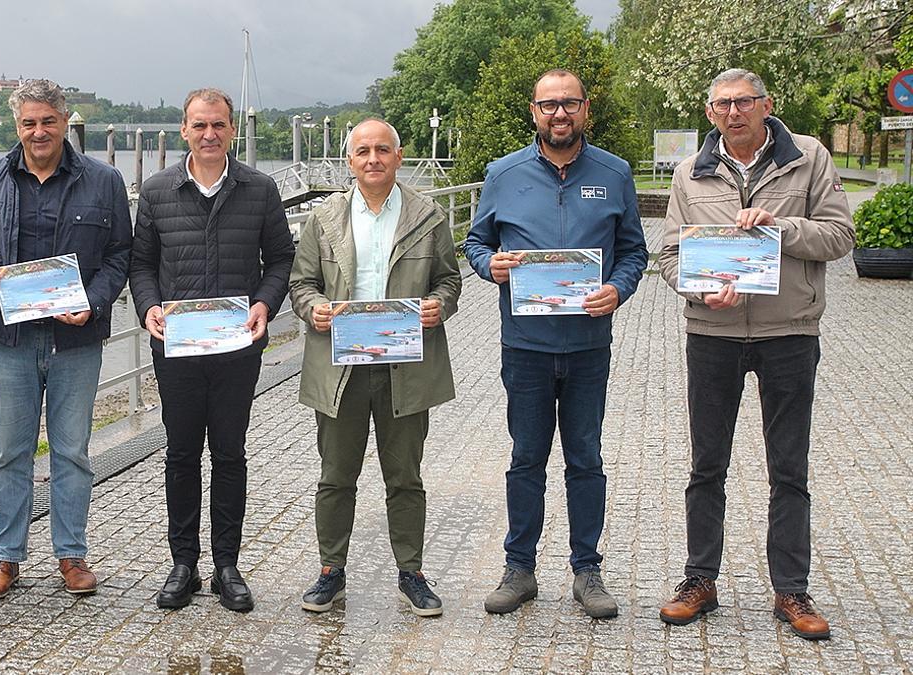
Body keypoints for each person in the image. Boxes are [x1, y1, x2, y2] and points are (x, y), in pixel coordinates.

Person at [656, 68, 853, 640]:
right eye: (722, 104)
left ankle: (790, 590)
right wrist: (696, 289)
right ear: (711, 112)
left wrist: (782, 228)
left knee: (789, 468)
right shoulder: (690, 172)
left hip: (788, 332)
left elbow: (840, 237)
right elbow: (669, 253)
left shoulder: (808, 157)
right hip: (711, 334)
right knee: (705, 465)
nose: (733, 112)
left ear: (767, 105)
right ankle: (700, 580)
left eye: (744, 102)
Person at [462, 69, 647, 619]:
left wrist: (619, 287)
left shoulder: (614, 174)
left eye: (569, 103)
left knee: (586, 459)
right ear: (533, 111)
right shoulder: (503, 173)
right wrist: (486, 265)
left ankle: (587, 571)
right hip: (526, 344)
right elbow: (476, 240)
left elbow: (635, 251)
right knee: (526, 459)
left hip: (590, 345)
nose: (559, 113)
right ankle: (519, 569)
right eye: (549, 105)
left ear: (585, 109)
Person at [0, 79, 132, 600]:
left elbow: (121, 254)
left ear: (64, 121)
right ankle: (5, 558)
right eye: (29, 123)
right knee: (11, 451)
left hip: (75, 341)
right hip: (10, 340)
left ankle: (71, 554)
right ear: (17, 126)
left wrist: (94, 302)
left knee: (73, 450)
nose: (38, 132)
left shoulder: (105, 182)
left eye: (48, 121)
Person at [129, 87, 294, 612]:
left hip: (237, 348)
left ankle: (227, 564)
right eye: (199, 125)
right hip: (175, 346)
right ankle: (184, 564)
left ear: (231, 130)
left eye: (218, 125)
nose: (209, 134)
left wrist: (266, 304)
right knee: (180, 455)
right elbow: (140, 265)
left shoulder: (260, 189)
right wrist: (148, 307)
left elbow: (281, 260)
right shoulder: (156, 192)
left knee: (229, 455)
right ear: (183, 130)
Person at [289, 119, 461, 617]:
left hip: (404, 362)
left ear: (398, 156)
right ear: (350, 161)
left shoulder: (428, 215)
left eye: (382, 150)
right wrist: (313, 308)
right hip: (339, 363)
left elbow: (450, 280)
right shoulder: (324, 218)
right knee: (336, 475)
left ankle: (411, 572)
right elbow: (301, 284)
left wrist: (438, 305)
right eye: (362, 151)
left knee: (404, 476)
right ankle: (330, 571)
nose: (372, 159)